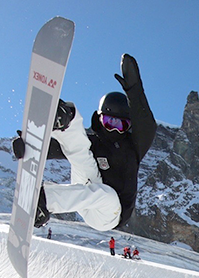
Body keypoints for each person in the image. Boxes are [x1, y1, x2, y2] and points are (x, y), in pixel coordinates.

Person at [12, 54, 157, 231]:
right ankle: (62, 119)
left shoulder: (133, 147)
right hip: (87, 192)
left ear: (129, 127)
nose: (114, 130)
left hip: (109, 214)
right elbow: (64, 149)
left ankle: (44, 203)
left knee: (106, 195)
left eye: (121, 125)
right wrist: (29, 146)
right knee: (80, 147)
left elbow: (147, 126)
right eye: (110, 123)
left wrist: (135, 90)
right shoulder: (94, 142)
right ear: (100, 119)